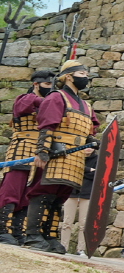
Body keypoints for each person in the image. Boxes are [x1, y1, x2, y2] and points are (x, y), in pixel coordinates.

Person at [23, 60, 100, 253]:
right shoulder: (57, 97)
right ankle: (33, 235)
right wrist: (42, 151)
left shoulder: (86, 105)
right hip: (55, 154)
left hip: (74, 158)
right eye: (82, 74)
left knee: (59, 197)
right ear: (69, 76)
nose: (86, 77)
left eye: (86, 74)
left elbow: (88, 130)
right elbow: (47, 125)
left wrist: (92, 141)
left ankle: (49, 236)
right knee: (43, 193)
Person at [0, 69, 55, 246]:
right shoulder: (25, 98)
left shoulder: (52, 104)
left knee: (27, 195)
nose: (50, 87)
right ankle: (2, 229)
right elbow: (24, 106)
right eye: (47, 84)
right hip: (21, 150)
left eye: (52, 85)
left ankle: (17, 231)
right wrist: (53, 102)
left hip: (40, 154)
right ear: (36, 84)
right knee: (11, 192)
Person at [59, 152, 97, 255]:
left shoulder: (97, 159)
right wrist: (88, 169)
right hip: (71, 192)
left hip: (87, 193)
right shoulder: (76, 156)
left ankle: (81, 249)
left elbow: (97, 175)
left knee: (84, 223)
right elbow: (70, 170)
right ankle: (63, 246)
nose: (88, 148)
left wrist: (80, 170)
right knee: (67, 221)